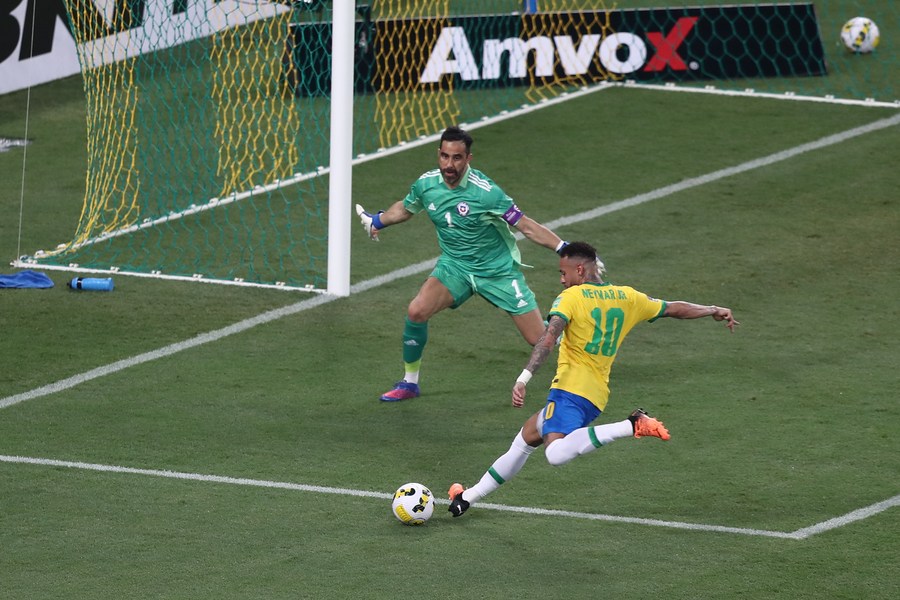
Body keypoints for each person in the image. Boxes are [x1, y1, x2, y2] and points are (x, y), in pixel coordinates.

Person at [448, 241, 739, 517]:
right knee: (525, 439)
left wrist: (524, 377)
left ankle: (632, 424)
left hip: (569, 390)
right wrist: (712, 309)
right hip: (595, 395)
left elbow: (548, 338)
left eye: (563, 273)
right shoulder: (628, 297)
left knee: (555, 454)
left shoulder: (571, 297)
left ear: (579, 270)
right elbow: (673, 308)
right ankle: (466, 497)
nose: (561, 280)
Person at [356, 125, 569, 402]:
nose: (449, 164)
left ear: (468, 158)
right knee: (417, 311)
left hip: (497, 272)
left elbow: (526, 226)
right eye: (444, 156)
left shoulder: (487, 192)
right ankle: (409, 383)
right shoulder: (426, 185)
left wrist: (565, 248)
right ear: (438, 154)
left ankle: (574, 335)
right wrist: (378, 221)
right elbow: (406, 209)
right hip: (455, 267)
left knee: (538, 339)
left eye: (457, 158)